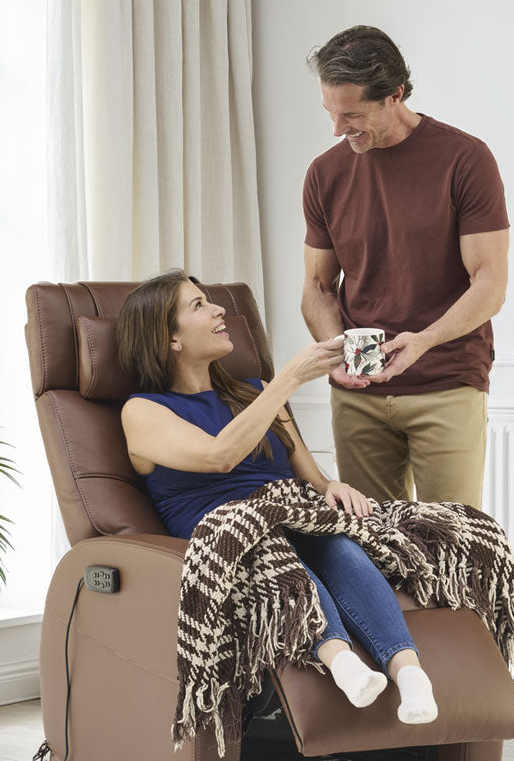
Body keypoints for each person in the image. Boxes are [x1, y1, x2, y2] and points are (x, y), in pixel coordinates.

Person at [118, 271, 438, 724]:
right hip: (230, 531)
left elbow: (307, 471)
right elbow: (219, 456)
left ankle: (410, 674)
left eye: (211, 302)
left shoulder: (255, 390)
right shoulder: (143, 411)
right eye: (198, 306)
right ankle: (341, 661)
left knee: (337, 542)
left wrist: (332, 487)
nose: (218, 310)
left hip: (290, 511)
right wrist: (288, 379)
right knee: (271, 546)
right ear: (169, 339)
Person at [301, 25, 510, 509]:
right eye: (330, 112)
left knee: (452, 546)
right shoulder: (324, 174)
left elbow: (490, 283)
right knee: (372, 550)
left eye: (351, 114)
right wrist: (338, 352)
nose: (337, 128)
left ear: (394, 94)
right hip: (358, 395)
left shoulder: (464, 159)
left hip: (446, 381)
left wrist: (424, 341)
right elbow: (317, 285)